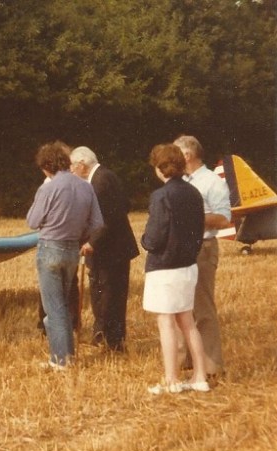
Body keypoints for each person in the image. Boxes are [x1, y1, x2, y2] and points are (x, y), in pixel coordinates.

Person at [27, 140, 103, 369]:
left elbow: (32, 221)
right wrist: (80, 234)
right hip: (72, 250)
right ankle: (65, 355)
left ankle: (60, 360)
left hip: (50, 248)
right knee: (62, 305)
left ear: (46, 166)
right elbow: (97, 222)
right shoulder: (85, 186)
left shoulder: (48, 188)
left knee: (55, 307)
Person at [141, 143, 210, 394]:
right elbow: (199, 230)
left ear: (160, 169)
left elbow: (155, 237)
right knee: (187, 322)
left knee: (166, 323)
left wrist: (144, 241)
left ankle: (171, 380)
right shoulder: (194, 193)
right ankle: (200, 377)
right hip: (188, 265)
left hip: (164, 267)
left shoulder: (161, 196)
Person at [70, 146, 139, 352]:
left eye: (72, 166)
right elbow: (125, 205)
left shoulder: (101, 181)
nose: (71, 171)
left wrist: (92, 242)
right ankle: (103, 335)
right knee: (104, 293)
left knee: (111, 295)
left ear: (82, 165)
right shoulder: (103, 177)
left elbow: (107, 217)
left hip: (112, 250)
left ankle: (113, 341)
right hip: (109, 248)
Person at [173, 135, 231, 379]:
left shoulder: (211, 181)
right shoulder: (182, 181)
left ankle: (211, 365)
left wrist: (191, 217)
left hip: (203, 248)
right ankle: (188, 359)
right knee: (181, 305)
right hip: (182, 249)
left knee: (202, 307)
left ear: (187, 155)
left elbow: (223, 217)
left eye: (175, 153)